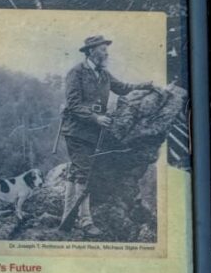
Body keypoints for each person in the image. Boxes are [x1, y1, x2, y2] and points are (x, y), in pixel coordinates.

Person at [60, 36, 154, 235]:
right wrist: (96, 118)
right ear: (91, 51)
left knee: (77, 172)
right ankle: (85, 222)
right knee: (84, 173)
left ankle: (67, 218)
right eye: (103, 49)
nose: (106, 53)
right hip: (76, 131)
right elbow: (73, 105)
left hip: (93, 132)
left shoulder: (104, 74)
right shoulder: (76, 73)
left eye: (106, 49)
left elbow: (122, 88)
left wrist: (144, 86)